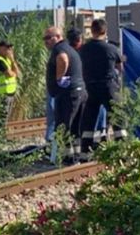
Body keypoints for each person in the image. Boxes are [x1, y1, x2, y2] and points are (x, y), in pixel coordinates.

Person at [78, 18, 125, 157]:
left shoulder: (84, 49)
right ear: (105, 31)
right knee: (118, 118)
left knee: (89, 119)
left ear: (92, 31)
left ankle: (85, 152)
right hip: (108, 87)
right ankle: (122, 151)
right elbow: (120, 67)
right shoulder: (111, 49)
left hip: (90, 87)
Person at [45, 27, 86, 163]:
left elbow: (63, 60)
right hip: (78, 91)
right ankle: (75, 156)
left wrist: (58, 79)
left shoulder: (59, 49)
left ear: (57, 37)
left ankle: (67, 158)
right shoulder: (69, 48)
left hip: (68, 94)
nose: (45, 42)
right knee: (74, 126)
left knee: (64, 126)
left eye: (47, 38)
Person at [0, 40, 20, 139]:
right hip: (1, 93)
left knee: (5, 116)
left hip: (9, 92)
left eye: (10, 48)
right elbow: (10, 74)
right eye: (6, 48)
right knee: (2, 116)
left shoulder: (8, 60)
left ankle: (2, 136)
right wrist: (13, 72)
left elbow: (17, 73)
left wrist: (13, 61)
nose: (8, 50)